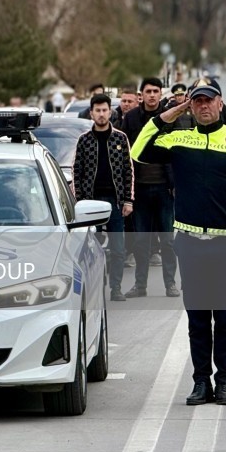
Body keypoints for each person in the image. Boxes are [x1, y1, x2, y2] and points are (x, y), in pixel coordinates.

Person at [131, 78, 226, 406]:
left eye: (209, 100)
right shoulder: (178, 139)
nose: (204, 106)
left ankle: (223, 382)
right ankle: (200, 382)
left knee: (223, 316)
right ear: (190, 106)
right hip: (189, 242)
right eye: (197, 101)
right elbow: (138, 151)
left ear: (220, 103)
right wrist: (168, 114)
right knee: (196, 317)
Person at [120, 77, 179, 298]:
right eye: (148, 91)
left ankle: (170, 284)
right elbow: (125, 152)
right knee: (141, 241)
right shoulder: (132, 118)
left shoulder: (169, 117)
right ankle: (140, 285)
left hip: (165, 188)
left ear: (161, 93)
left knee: (168, 240)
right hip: (140, 190)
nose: (152, 95)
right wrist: (127, 189)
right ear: (141, 95)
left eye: (156, 91)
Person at [72, 94, 133, 301]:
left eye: (104, 110)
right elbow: (77, 172)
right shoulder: (84, 140)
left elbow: (128, 171)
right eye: (97, 110)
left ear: (110, 112)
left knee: (118, 249)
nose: (101, 114)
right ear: (91, 113)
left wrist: (128, 201)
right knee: (90, 249)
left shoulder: (120, 138)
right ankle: (94, 289)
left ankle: (116, 288)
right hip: (90, 203)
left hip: (115, 202)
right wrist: (79, 202)